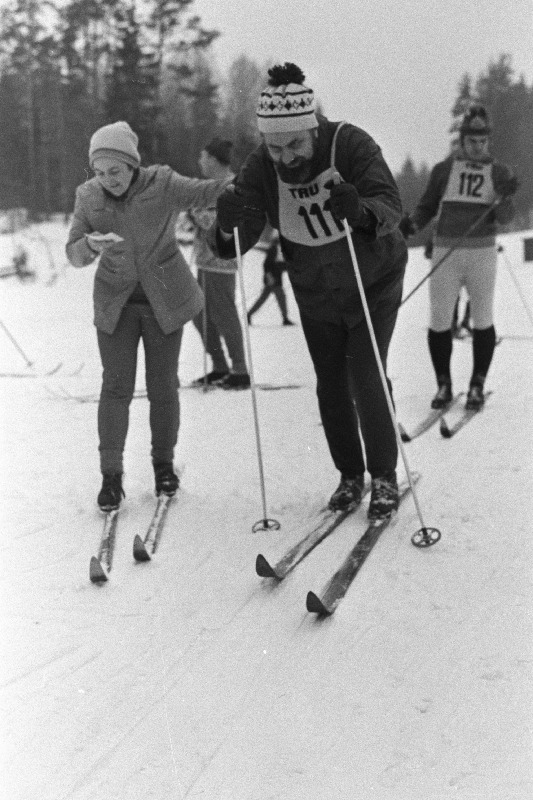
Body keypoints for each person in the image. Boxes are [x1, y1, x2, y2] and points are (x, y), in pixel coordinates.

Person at [208, 63, 408, 520]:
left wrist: (359, 209)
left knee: (366, 375)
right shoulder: (263, 164)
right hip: (316, 290)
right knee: (331, 383)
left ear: (313, 129)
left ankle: (383, 476)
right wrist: (227, 222)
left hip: (372, 280)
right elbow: (238, 239)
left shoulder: (350, 144)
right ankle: (349, 475)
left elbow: (390, 206)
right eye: (275, 146)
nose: (287, 157)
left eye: (295, 144)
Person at [66, 121, 228, 510]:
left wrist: (246, 184)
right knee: (116, 388)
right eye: (100, 172)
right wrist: (89, 243)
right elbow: (72, 252)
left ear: (132, 165)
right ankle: (110, 476)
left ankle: (164, 467)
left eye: (115, 171)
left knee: (163, 386)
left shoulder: (162, 183)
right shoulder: (88, 197)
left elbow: (207, 191)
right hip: (115, 305)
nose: (108, 180)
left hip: (165, 300)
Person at [399, 104, 518, 410]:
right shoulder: (444, 170)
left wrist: (505, 196)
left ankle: (477, 384)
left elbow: (505, 217)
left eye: (483, 142)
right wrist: (410, 225)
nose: (478, 148)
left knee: (483, 318)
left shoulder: (498, 171)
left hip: (482, 253)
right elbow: (426, 206)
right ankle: (444, 384)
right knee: (439, 320)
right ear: (462, 140)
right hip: (446, 252)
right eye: (472, 141)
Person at [189, 137, 250, 389]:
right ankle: (220, 365)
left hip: (221, 261)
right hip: (205, 260)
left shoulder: (232, 186)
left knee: (223, 313)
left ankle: (239, 369)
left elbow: (221, 222)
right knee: (198, 313)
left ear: (214, 160)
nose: (200, 162)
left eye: (203, 158)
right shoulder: (209, 186)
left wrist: (196, 214)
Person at [247, 230, 296, 326]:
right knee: (279, 298)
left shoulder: (278, 248)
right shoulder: (274, 249)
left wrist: (288, 267)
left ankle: (249, 314)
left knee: (270, 298)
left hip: (275, 278)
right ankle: (285, 318)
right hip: (273, 279)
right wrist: (269, 276)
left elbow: (279, 264)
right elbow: (267, 264)